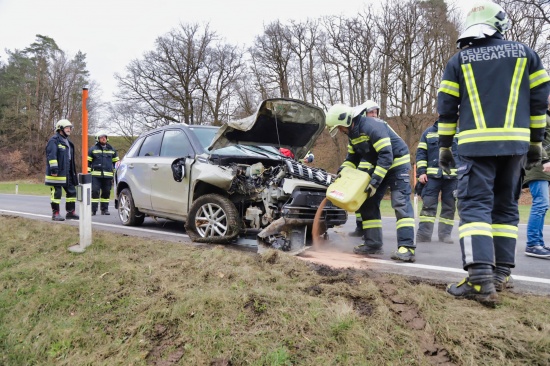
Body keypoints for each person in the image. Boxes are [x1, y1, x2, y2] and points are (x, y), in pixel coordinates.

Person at [437, 1, 550, 304]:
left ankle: (479, 281)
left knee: (474, 209)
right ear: (499, 24)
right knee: (504, 210)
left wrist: (445, 147)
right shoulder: (527, 54)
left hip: (475, 148)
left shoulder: (458, 61)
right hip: (516, 147)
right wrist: (536, 143)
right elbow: (540, 105)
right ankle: (500, 274)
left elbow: (447, 112)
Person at [326, 102, 416, 262]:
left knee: (400, 203)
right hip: (380, 165)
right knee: (368, 202)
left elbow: (386, 155)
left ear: (346, 120)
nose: (340, 130)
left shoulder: (372, 126)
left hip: (397, 164)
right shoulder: (353, 135)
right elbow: (352, 159)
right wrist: (342, 173)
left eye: (339, 127)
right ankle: (373, 244)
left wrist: (374, 182)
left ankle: (407, 248)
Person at [415, 120, 459, 244]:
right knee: (428, 205)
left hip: (452, 178)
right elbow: (421, 154)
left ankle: (445, 235)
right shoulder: (428, 133)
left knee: (449, 207)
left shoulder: (458, 133)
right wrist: (421, 172)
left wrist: (462, 174)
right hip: (432, 177)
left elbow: (462, 156)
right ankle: (424, 235)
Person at [348, 100, 382, 238]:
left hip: (375, 172)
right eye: (371, 112)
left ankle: (370, 233)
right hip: (360, 172)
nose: (374, 115)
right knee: (359, 201)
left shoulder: (379, 128)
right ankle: (360, 228)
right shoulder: (356, 131)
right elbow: (352, 155)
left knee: (371, 202)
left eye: (375, 112)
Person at [524, 97, 550, 258]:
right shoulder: (539, 115)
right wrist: (546, 160)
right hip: (538, 166)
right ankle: (533, 244)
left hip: (545, 167)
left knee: (543, 205)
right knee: (541, 203)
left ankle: (538, 243)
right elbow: (533, 140)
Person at [45, 119, 79, 221]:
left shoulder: (68, 142)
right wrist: (54, 169)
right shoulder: (54, 140)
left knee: (72, 192)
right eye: (67, 128)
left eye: (70, 128)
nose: (69, 130)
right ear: (60, 129)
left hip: (67, 172)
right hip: (56, 173)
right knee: (57, 193)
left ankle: (70, 212)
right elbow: (51, 155)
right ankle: (55, 214)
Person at [88, 131, 119, 215]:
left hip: (108, 176)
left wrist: (116, 174)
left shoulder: (112, 149)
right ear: (97, 139)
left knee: (106, 192)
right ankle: (93, 210)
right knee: (94, 192)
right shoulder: (92, 149)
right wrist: (87, 174)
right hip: (95, 176)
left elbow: (116, 163)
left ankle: (104, 210)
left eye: (105, 137)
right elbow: (88, 163)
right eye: (101, 137)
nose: (104, 138)